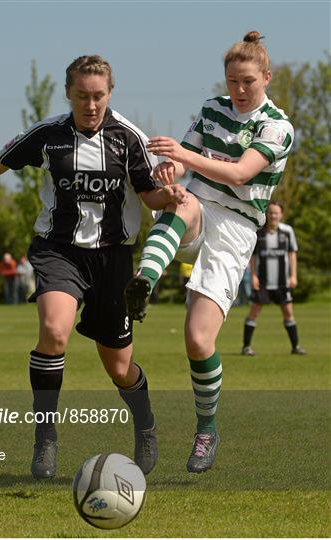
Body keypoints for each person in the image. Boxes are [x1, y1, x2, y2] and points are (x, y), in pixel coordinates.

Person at [0, 55, 187, 480]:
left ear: (110, 93)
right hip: (59, 250)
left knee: (119, 367)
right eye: (81, 96)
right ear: (68, 93)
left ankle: (145, 424)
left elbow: (150, 196)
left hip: (113, 258)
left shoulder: (129, 138)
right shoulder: (49, 135)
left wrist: (173, 197)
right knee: (54, 332)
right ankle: (45, 436)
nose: (90, 104)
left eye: (98, 96)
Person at [124, 32, 295, 474]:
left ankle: (207, 428)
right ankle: (143, 280)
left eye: (248, 82)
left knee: (199, 340)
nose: (238, 90)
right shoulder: (212, 109)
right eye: (232, 81)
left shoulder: (277, 127)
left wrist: (184, 156)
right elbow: (184, 163)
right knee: (182, 198)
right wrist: (169, 168)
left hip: (236, 227)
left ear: (267, 79)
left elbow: (240, 174)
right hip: (197, 206)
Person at [242, 201, 306, 356]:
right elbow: (253, 257)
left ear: (281, 214)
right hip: (262, 282)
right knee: (254, 313)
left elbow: (292, 254)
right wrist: (254, 276)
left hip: (282, 282)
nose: (273, 215)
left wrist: (293, 275)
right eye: (270, 212)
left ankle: (295, 347)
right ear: (266, 214)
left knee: (288, 313)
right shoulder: (259, 232)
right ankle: (246, 347)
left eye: (276, 213)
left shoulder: (287, 231)